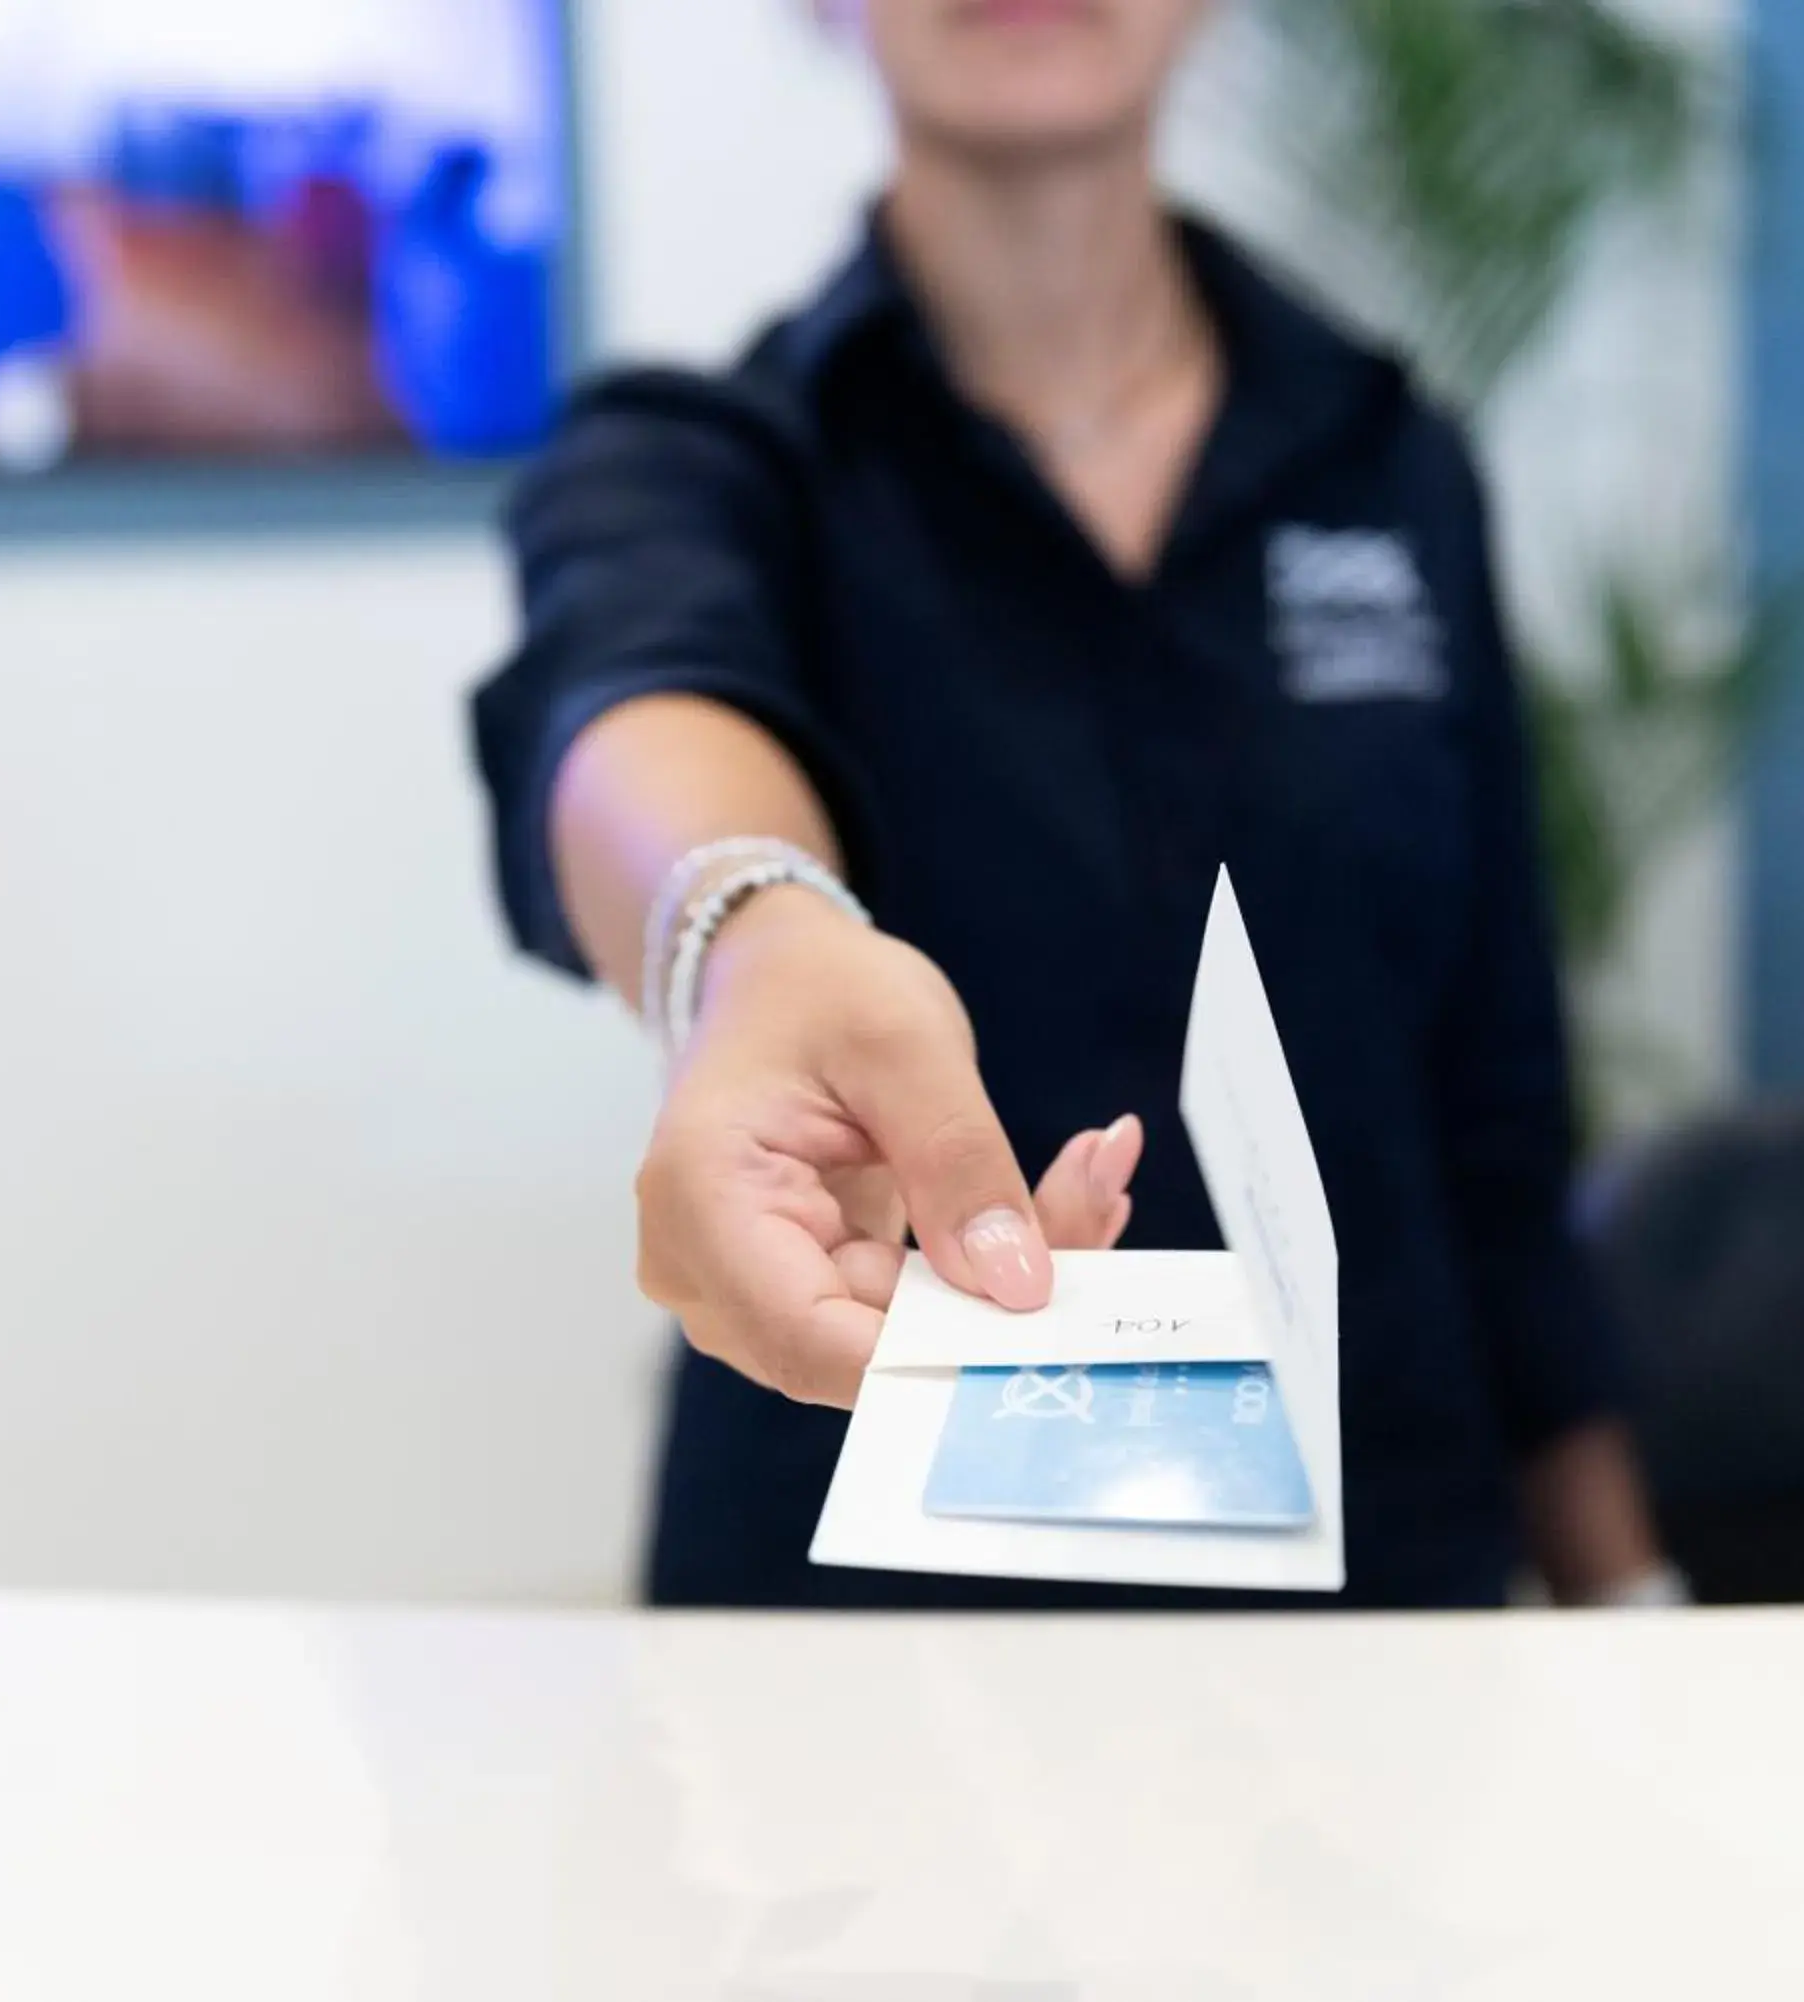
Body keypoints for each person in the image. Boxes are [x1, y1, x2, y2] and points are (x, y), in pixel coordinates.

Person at [472, 0, 1677, 1609]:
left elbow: (1497, 1123)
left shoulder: (1392, 465)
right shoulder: (704, 468)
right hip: (865, 1636)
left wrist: (1633, 1614)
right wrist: (751, 942)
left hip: (1373, 1618)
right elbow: (631, 703)